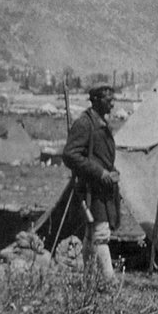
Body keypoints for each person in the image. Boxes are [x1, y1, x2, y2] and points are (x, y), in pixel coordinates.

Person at [62, 84, 120, 282]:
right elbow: (70, 154)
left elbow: (101, 155)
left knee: (92, 234)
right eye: (108, 99)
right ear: (95, 100)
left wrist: (110, 171)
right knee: (100, 234)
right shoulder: (85, 124)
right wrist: (99, 172)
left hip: (101, 188)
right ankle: (108, 281)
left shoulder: (100, 122)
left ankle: (89, 281)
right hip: (91, 189)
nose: (112, 103)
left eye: (113, 99)